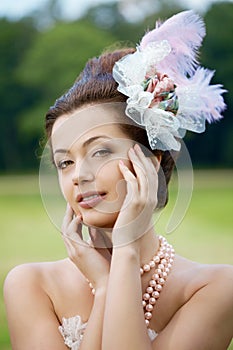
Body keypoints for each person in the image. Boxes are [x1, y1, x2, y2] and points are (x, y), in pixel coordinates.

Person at [3, 10, 233, 350]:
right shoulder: (31, 285)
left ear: (151, 161)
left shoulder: (216, 288)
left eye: (100, 152)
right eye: (64, 162)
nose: (79, 175)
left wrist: (125, 252)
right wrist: (106, 286)